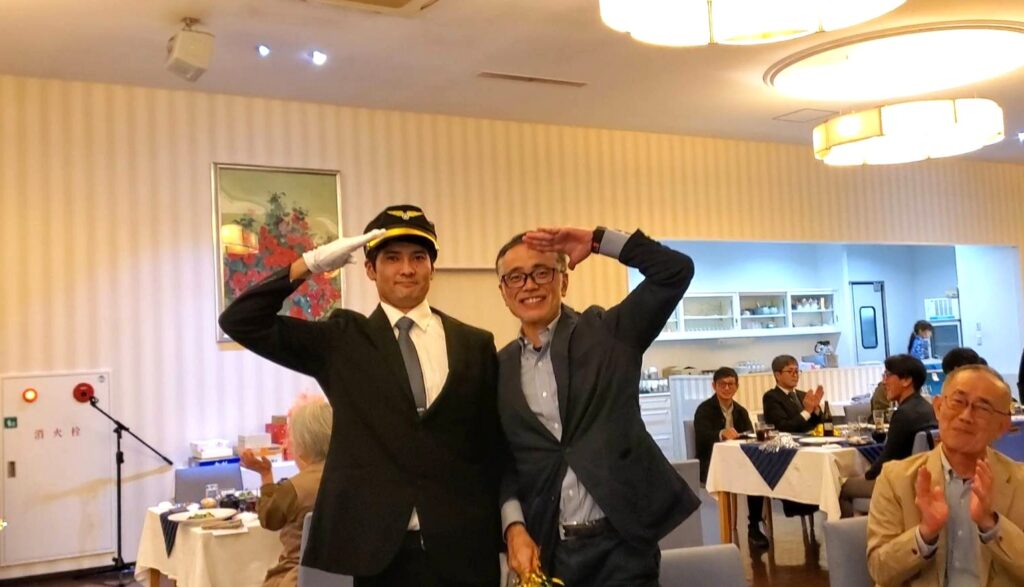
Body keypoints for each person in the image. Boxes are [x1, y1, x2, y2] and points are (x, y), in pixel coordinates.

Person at [219, 205, 504, 586]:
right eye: (392, 258)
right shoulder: (342, 341)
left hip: (463, 547)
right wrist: (310, 264)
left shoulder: (474, 343)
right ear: (370, 269)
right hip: (379, 552)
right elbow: (240, 321)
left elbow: (491, 446)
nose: (407, 269)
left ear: (432, 267)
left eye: (418, 257)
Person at [494, 226, 700, 587]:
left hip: (622, 547)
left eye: (542, 272)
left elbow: (675, 271)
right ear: (504, 291)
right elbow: (503, 461)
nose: (529, 284)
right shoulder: (499, 368)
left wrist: (598, 241)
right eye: (516, 277)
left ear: (564, 280)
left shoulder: (608, 333)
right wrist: (514, 526)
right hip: (550, 550)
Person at [867, 365, 1024, 586]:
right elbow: (879, 570)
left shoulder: (1019, 482)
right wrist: (925, 533)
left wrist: (991, 524)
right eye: (958, 402)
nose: (966, 416)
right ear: (938, 407)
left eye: (982, 408)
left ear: (1003, 426)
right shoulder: (896, 478)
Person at [241, 395, 333, 587]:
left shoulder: (295, 488)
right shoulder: (350, 481)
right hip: (343, 575)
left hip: (297, 577)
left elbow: (268, 518)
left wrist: (266, 476)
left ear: (302, 445)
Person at [839, 354, 937, 518]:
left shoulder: (904, 414)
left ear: (906, 380)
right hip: (921, 478)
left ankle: (853, 531)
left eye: (888, 375)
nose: (884, 382)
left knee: (843, 487)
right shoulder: (927, 407)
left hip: (898, 483)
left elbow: (887, 461)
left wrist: (867, 475)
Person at [693, 367, 769, 548]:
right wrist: (722, 434)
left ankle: (754, 526)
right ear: (714, 386)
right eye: (722, 384)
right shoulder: (704, 410)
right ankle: (724, 530)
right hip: (712, 462)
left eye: (731, 384)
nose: (727, 388)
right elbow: (702, 437)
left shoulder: (741, 411)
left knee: (757, 474)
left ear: (736, 386)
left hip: (739, 461)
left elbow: (749, 435)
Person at [762, 355, 824, 434]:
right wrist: (807, 411)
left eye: (797, 371)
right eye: (790, 371)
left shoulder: (804, 395)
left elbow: (822, 423)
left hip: (812, 438)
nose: (795, 375)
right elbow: (782, 427)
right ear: (778, 375)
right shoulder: (771, 397)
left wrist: (816, 409)